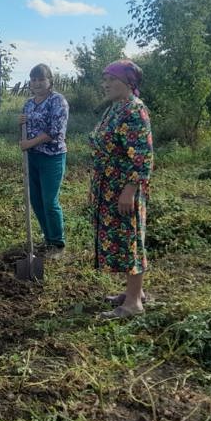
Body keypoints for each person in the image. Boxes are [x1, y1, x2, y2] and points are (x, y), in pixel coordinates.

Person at [89, 59, 154, 319]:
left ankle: (133, 305)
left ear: (128, 83)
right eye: (104, 79)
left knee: (130, 240)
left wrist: (129, 190)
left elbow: (142, 155)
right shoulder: (115, 108)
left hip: (124, 187)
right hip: (107, 186)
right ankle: (132, 293)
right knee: (122, 240)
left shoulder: (134, 110)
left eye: (111, 79)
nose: (105, 84)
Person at [18, 64, 69, 256]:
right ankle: (48, 240)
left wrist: (29, 143)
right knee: (36, 201)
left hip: (52, 157)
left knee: (49, 201)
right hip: (32, 157)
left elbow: (55, 131)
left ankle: (57, 244)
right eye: (34, 80)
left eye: (41, 79)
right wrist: (21, 126)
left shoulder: (58, 101)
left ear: (50, 82)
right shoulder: (28, 104)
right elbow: (25, 131)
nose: (37, 83)